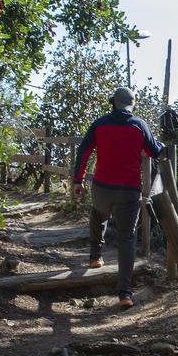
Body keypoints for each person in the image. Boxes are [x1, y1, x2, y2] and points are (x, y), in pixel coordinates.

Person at [70, 87, 164, 309]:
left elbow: (84, 151)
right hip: (130, 192)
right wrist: (163, 145)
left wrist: (78, 180)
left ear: (113, 103)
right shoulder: (139, 125)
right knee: (127, 238)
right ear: (131, 105)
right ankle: (125, 293)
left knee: (98, 214)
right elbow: (154, 151)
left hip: (102, 187)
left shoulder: (100, 124)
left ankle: (95, 256)